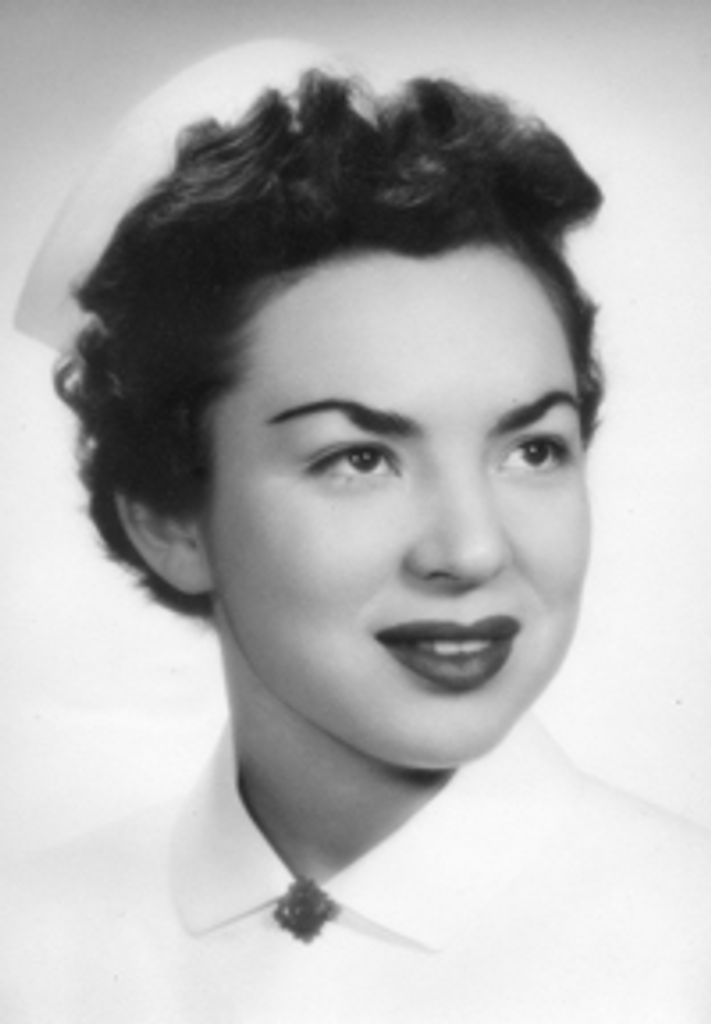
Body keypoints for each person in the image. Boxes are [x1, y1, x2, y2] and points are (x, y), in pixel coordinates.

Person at [4, 38, 711, 1023]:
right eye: (360, 458)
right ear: (169, 519)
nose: (472, 550)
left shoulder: (686, 935)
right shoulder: (28, 946)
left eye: (531, 449)